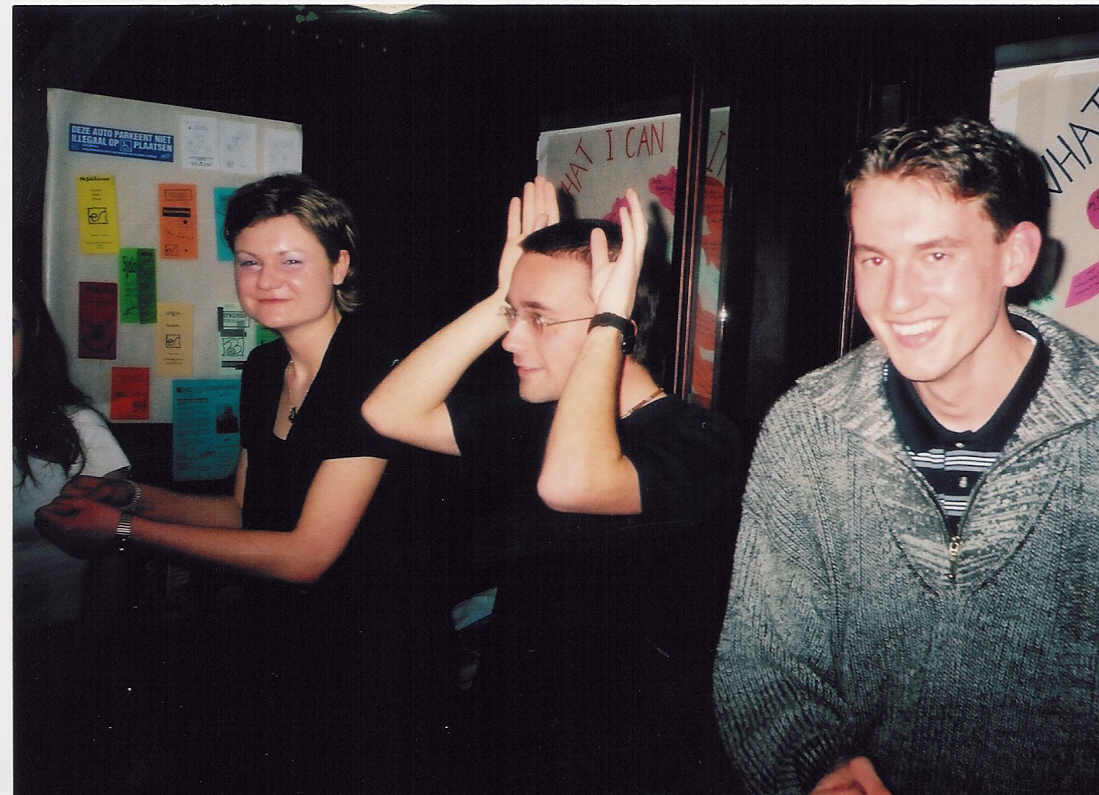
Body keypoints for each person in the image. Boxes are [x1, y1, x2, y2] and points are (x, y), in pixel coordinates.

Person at [713, 118, 1099, 794]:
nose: (897, 299)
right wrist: (819, 767)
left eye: (936, 255)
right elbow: (763, 664)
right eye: (874, 259)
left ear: (1015, 256)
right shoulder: (808, 430)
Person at [36, 173, 442, 792]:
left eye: (291, 260)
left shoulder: (372, 370)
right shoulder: (265, 366)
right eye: (249, 262)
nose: (266, 279)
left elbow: (306, 555)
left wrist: (124, 530)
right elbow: (243, 511)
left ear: (340, 266)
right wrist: (135, 497)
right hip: (284, 639)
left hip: (372, 654)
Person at [363, 176, 742, 790]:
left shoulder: (698, 441)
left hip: (624, 765)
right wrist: (501, 298)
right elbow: (389, 411)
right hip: (510, 740)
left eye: (538, 320)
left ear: (618, 326)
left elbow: (570, 484)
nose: (511, 339)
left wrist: (608, 322)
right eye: (515, 318)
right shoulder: (536, 416)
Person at [13, 279, 133, 790]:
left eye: (8, 327)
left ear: (31, 337)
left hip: (52, 648)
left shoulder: (76, 427)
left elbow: (119, 545)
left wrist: (91, 649)